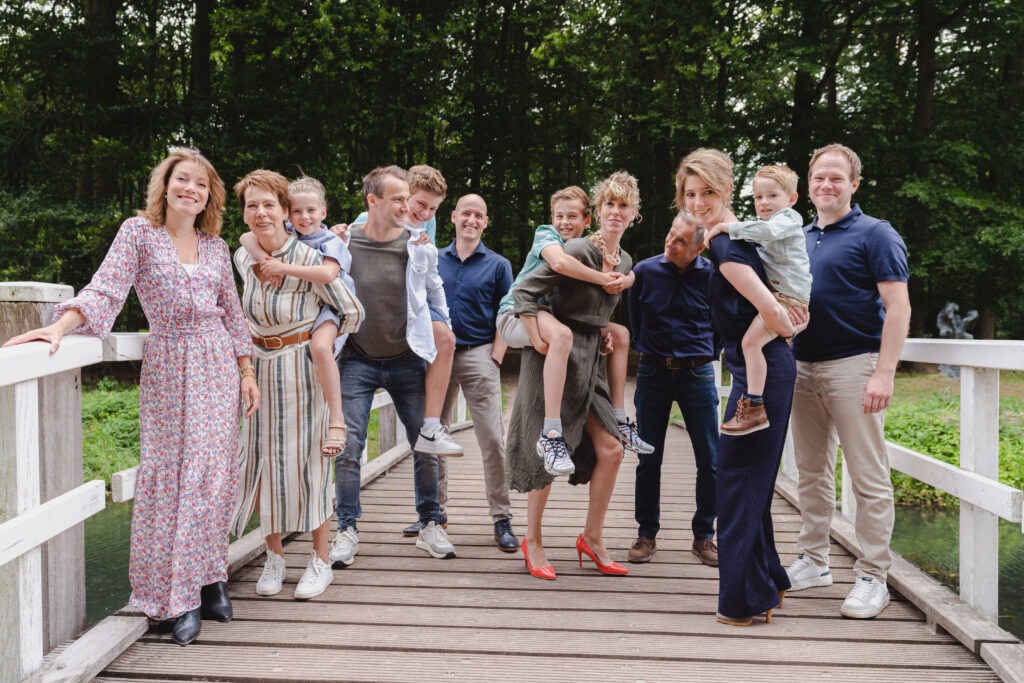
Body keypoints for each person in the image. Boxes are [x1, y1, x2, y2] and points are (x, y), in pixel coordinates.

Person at [4, 148, 259, 646]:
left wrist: (246, 370)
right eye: (182, 179)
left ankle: (210, 579)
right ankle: (175, 595)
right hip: (169, 366)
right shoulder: (138, 232)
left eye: (202, 184)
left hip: (217, 368)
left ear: (211, 195)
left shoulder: (215, 247)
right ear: (165, 186)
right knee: (172, 478)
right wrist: (58, 326)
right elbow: (105, 290)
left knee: (212, 475)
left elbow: (231, 313)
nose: (192, 189)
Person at [786, 143, 911, 619]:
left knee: (868, 477)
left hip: (854, 366)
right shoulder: (798, 236)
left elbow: (897, 307)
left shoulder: (876, 234)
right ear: (808, 185)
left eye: (837, 177)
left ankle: (873, 576)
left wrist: (884, 372)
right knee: (811, 471)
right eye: (819, 177)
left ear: (854, 184)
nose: (826, 185)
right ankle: (814, 560)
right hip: (802, 367)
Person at [686, 147, 808, 626]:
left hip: (764, 373)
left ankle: (738, 599)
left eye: (708, 192)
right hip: (756, 368)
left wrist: (793, 319)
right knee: (748, 480)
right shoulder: (739, 241)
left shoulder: (725, 245)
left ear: (725, 190)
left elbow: (776, 314)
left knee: (736, 480)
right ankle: (766, 582)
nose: (697, 203)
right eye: (690, 194)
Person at [230, 170, 364, 602]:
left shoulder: (309, 258)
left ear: (285, 211)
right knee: (263, 465)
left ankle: (320, 560)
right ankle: (274, 557)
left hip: (302, 370)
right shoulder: (240, 257)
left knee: (309, 466)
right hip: (258, 375)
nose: (260, 212)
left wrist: (320, 341)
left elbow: (351, 309)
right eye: (252, 205)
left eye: (269, 204)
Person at [506, 172, 640, 581]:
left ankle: (592, 538)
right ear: (597, 213)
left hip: (590, 361)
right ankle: (533, 539)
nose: (615, 212)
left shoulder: (628, 261)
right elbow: (527, 291)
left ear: (634, 214)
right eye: (609, 205)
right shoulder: (577, 249)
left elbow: (601, 314)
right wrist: (533, 331)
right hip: (551, 355)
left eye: (623, 206)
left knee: (613, 449)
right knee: (549, 450)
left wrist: (603, 333)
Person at [330, 165, 456, 565]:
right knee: (348, 446)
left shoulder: (419, 245)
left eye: (408, 199)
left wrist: (443, 334)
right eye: (398, 199)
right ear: (373, 202)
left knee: (425, 444)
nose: (407, 207)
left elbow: (435, 293)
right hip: (357, 358)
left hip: (406, 358)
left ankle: (429, 524)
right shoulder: (343, 243)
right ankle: (346, 529)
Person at [495, 186, 651, 479]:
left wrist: (627, 280)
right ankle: (551, 433)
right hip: (517, 312)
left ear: (586, 220)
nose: (564, 222)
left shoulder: (611, 255)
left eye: (571, 216)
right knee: (562, 336)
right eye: (559, 216)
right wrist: (606, 279)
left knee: (620, 335)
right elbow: (556, 267)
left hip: (548, 316)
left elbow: (599, 298)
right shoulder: (554, 240)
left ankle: (620, 420)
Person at [337, 164, 463, 460]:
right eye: (420, 204)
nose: (424, 214)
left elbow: (427, 274)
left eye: (433, 208)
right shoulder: (367, 221)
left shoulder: (426, 222)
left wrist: (442, 317)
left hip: (414, 300)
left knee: (445, 338)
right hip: (380, 312)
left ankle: (432, 427)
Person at [238, 175, 360, 456]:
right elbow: (246, 237)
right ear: (288, 213)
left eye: (311, 211)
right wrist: (267, 260)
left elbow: (328, 275)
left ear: (324, 213)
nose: (304, 217)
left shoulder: (330, 242)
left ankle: (337, 421)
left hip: (331, 309)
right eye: (298, 211)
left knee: (320, 348)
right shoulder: (289, 236)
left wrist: (283, 269)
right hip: (271, 352)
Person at [626, 211, 720, 567]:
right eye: (670, 234)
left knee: (710, 459)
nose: (670, 242)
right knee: (648, 457)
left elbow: (721, 323)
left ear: (697, 248)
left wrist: (705, 353)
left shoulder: (713, 275)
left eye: (680, 240)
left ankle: (704, 536)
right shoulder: (645, 271)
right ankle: (646, 533)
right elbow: (634, 319)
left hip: (697, 373)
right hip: (652, 371)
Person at [427, 193, 519, 552]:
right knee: (433, 436)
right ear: (453, 217)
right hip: (438, 356)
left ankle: (501, 516)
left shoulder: (498, 264)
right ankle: (433, 512)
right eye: (466, 213)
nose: (471, 219)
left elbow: (507, 310)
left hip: (480, 352)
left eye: (478, 215)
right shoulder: (433, 259)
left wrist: (497, 356)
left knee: (492, 437)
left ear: (485, 221)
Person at [704, 165, 811, 436]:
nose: (764, 202)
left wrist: (724, 226)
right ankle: (753, 404)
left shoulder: (788, 219)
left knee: (750, 343)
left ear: (791, 199)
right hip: (782, 296)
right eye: (758, 197)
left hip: (787, 298)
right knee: (752, 343)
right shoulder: (764, 226)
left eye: (772, 196)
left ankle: (753, 406)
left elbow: (768, 233)